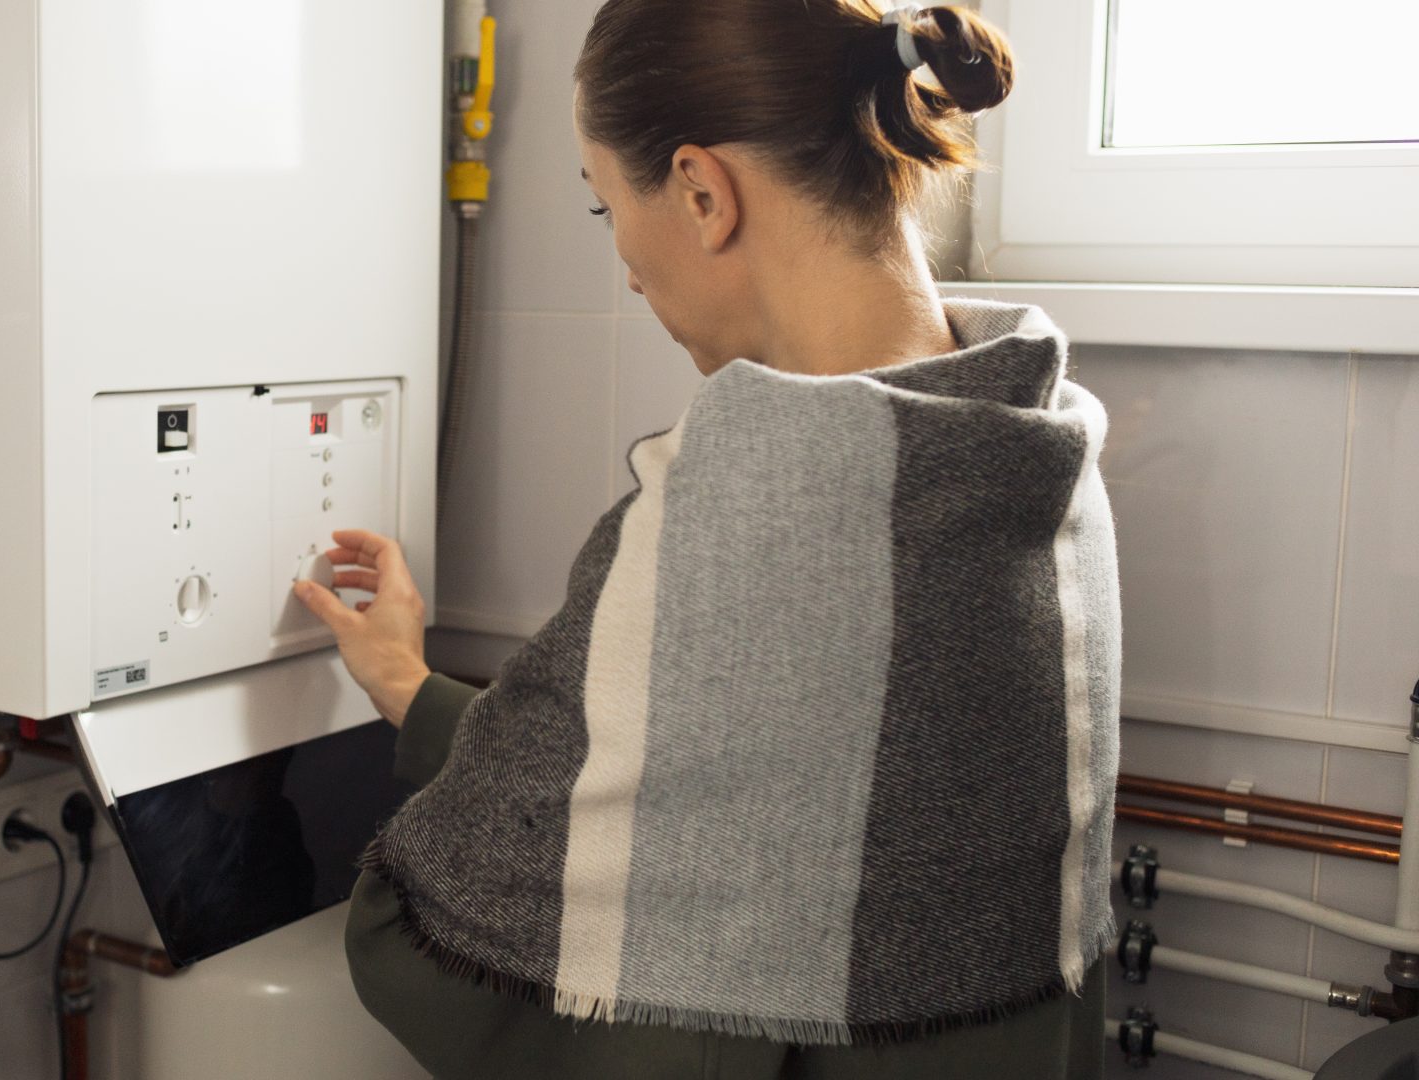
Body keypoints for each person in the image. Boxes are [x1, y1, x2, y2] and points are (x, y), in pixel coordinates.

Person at [293, 1, 1121, 1077]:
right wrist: (407, 679)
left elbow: (440, 921)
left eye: (606, 210)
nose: (630, 269)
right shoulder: (1040, 454)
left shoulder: (751, 506)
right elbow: (744, 792)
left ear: (699, 190)